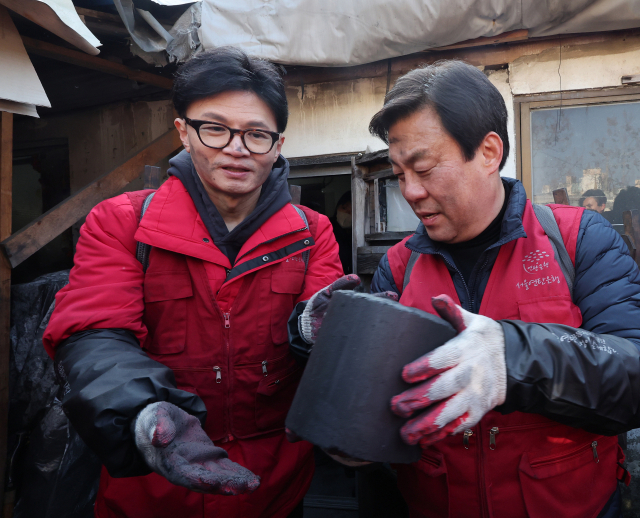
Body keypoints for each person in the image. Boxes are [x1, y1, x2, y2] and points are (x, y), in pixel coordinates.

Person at [42, 47, 347, 518]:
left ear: (278, 144)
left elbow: (323, 344)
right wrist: (142, 414)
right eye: (215, 128)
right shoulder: (121, 223)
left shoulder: (313, 232)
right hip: (152, 491)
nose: (237, 148)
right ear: (184, 131)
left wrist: (316, 332)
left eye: (256, 134)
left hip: (273, 487)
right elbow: (94, 335)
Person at [360, 61, 640, 517]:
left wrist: (514, 357)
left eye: (424, 168)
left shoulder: (577, 239)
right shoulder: (399, 266)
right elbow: (384, 400)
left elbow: (632, 375)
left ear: (489, 152)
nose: (409, 191)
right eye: (399, 173)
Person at [330, 191, 353, 274]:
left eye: (351, 211)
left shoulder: (357, 233)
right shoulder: (328, 228)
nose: (346, 213)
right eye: (343, 208)